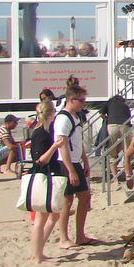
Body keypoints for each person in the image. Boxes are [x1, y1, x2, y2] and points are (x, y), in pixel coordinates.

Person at [51, 84, 98, 249]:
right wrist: (71, 170)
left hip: (76, 161)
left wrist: (84, 159)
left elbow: (78, 141)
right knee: (67, 200)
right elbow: (62, 145)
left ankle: (80, 235)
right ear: (71, 100)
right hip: (65, 163)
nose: (83, 103)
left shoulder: (75, 117)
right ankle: (63, 238)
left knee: (84, 197)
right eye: (81, 100)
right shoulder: (63, 118)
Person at [28, 100, 63, 264]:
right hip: (43, 175)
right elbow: (40, 160)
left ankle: (38, 250)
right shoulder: (40, 133)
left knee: (54, 215)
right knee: (41, 219)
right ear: (51, 113)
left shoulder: (46, 130)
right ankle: (37, 255)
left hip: (50, 173)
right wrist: (55, 146)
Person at [100, 93, 132, 182]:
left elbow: (101, 114)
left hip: (112, 125)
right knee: (127, 152)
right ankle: (128, 176)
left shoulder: (109, 103)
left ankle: (115, 179)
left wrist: (107, 119)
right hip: (125, 125)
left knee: (112, 153)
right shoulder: (125, 106)